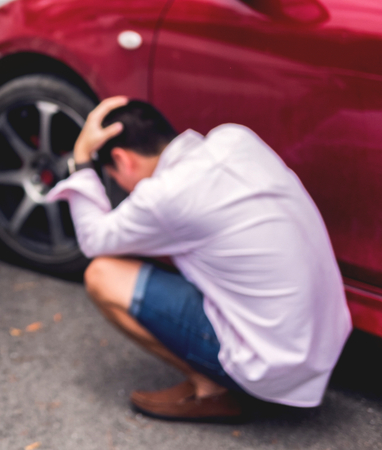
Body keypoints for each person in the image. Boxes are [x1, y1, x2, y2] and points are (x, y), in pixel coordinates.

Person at [47, 96, 351, 421]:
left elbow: (94, 241)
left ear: (122, 159)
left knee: (102, 275)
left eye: (112, 174)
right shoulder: (235, 138)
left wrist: (81, 159)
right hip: (324, 339)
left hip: (272, 363)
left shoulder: (165, 196)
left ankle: (212, 390)